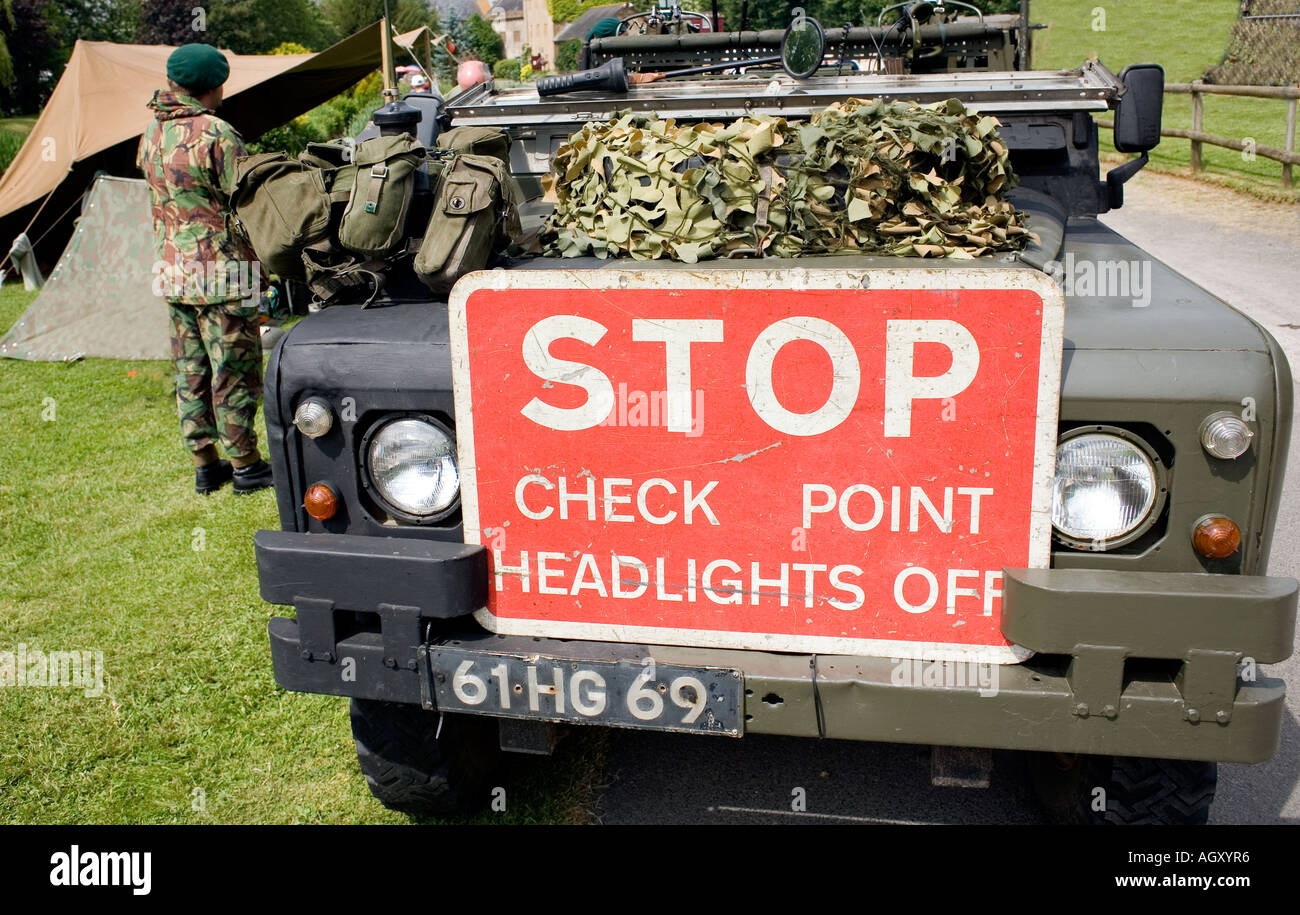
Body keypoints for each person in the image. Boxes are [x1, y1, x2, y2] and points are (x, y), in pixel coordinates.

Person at [137, 43, 273, 495]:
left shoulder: (151, 134)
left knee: (190, 371)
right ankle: (247, 467)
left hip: (173, 273)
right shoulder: (216, 133)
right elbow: (246, 203)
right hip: (223, 275)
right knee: (234, 370)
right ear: (213, 87)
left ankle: (205, 464)